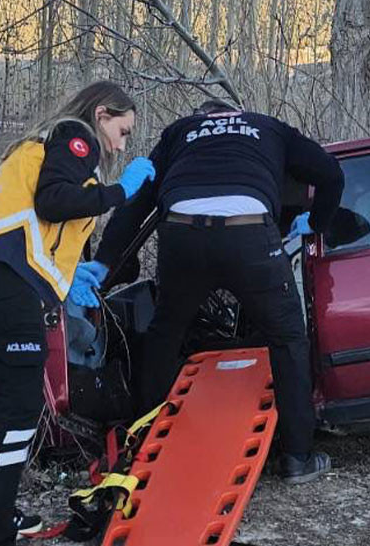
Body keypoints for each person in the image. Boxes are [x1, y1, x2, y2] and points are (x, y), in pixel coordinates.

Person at [0, 81, 154, 546]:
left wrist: (76, 271)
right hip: (4, 283)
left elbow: (52, 220)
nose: (121, 145)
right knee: (17, 415)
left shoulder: (49, 150)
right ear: (102, 115)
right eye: (121, 131)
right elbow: (55, 202)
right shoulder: (74, 137)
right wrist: (124, 191)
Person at [91, 99, 345, 485]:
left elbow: (139, 202)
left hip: (182, 234)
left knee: (165, 333)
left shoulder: (181, 132)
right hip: (249, 232)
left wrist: (104, 264)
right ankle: (297, 457)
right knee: (288, 337)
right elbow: (331, 174)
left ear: (202, 117)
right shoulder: (268, 126)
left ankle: (145, 445)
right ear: (236, 114)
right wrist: (316, 222)